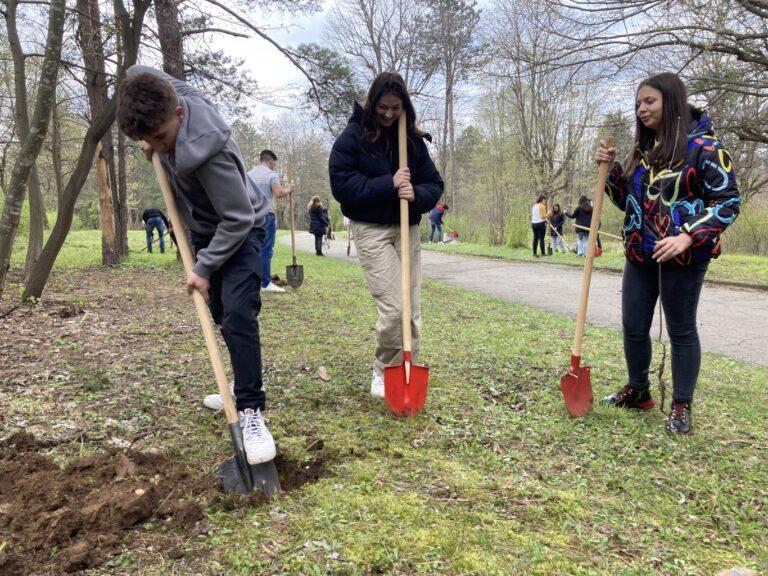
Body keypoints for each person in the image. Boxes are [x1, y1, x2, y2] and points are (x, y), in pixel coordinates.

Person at [117, 65, 276, 464]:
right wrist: (147, 131)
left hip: (242, 229)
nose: (157, 146)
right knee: (221, 313)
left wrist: (202, 269)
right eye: (147, 139)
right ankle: (234, 389)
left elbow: (237, 219)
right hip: (207, 231)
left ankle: (251, 410)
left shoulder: (210, 153)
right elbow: (140, 72)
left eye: (161, 137)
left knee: (239, 315)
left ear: (180, 115)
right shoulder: (172, 100)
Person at [595, 72, 740, 434]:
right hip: (640, 253)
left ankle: (680, 405)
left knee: (681, 330)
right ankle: (639, 391)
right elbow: (628, 202)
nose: (641, 109)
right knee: (633, 326)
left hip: (683, 258)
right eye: (639, 102)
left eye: (650, 101)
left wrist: (688, 236)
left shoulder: (705, 148)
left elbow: (728, 202)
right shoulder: (644, 152)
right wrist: (609, 170)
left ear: (671, 102)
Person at [329, 71, 444, 398]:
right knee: (395, 308)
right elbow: (342, 186)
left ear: (404, 106)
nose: (389, 114)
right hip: (371, 230)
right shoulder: (353, 137)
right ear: (372, 102)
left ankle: (408, 371)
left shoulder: (412, 141)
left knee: (412, 308)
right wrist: (388, 183)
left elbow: (434, 184)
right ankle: (384, 369)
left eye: (396, 108)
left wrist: (416, 195)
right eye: (383, 107)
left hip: (406, 229)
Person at [248, 149, 294, 293]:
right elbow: (279, 193)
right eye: (274, 163)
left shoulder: (248, 174)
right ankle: (265, 283)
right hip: (266, 214)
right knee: (266, 249)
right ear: (269, 161)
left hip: (249, 215)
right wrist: (289, 189)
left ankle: (253, 280)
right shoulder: (271, 174)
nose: (274, 166)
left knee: (252, 248)